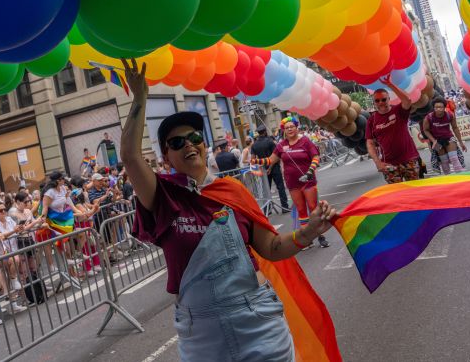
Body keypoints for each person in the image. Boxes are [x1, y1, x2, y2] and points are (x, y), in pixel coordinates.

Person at [119, 59, 337, 361]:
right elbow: (130, 157)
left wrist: (308, 231)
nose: (189, 145)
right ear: (166, 157)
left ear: (204, 145)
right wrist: (140, 97)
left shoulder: (233, 191)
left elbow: (272, 248)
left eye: (195, 137)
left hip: (258, 323)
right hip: (201, 336)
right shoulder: (162, 195)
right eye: (177, 142)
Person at [258, 117, 329, 248]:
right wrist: (256, 162)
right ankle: (307, 239)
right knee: (301, 211)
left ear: (297, 128)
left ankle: (321, 236)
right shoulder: (281, 145)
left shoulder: (305, 141)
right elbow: (270, 160)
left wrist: (310, 171)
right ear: (284, 130)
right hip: (292, 184)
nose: (290, 129)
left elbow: (315, 156)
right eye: (287, 128)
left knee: (313, 209)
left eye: (292, 127)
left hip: (308, 182)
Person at [365, 77, 421, 184]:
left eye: (383, 99)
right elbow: (370, 143)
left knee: (414, 190)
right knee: (395, 192)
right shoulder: (372, 120)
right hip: (389, 164)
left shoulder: (398, 110)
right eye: (377, 100)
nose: (381, 102)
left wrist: (390, 85)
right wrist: (377, 162)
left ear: (389, 99)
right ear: (374, 102)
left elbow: (407, 100)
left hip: (409, 159)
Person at [0, 202, 27, 312]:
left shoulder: (9, 220)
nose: (4, 211)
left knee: (8, 277)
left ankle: (13, 304)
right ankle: (14, 280)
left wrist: (20, 229)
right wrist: (14, 231)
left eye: (5, 209)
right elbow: (0, 237)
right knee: (15, 260)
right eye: (1, 210)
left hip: (12, 251)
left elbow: (16, 231)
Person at [423, 97, 468, 174]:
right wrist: (433, 141)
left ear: (444, 107)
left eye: (440, 107)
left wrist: (461, 142)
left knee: (454, 158)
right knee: (444, 161)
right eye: (436, 107)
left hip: (449, 138)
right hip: (436, 141)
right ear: (433, 108)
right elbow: (425, 130)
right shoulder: (428, 117)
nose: (438, 109)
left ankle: (460, 176)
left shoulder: (450, 115)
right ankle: (448, 177)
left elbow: (455, 128)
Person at [251, 125, 290, 212]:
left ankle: (267, 210)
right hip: (274, 167)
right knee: (280, 187)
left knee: (266, 190)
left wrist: (261, 167)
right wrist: (270, 168)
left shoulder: (254, 145)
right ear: (265, 131)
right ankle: (285, 207)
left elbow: (253, 160)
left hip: (263, 169)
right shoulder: (270, 142)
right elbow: (276, 156)